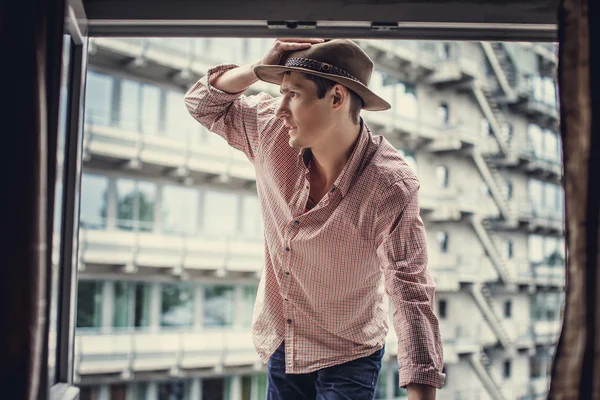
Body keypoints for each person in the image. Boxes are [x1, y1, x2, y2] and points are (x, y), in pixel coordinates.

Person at [185, 38, 445, 400]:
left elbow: (409, 290)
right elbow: (202, 104)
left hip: (349, 353)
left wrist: (422, 394)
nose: (280, 109)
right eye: (281, 93)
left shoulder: (389, 185)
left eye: (293, 94)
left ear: (336, 98)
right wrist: (259, 69)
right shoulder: (268, 132)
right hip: (284, 341)